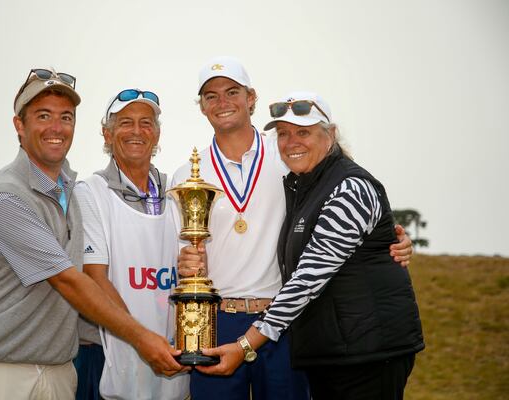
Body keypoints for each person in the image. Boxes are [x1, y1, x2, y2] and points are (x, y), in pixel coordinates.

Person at [174, 57, 414, 400]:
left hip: (285, 318)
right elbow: (179, 251)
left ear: (251, 98)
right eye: (211, 96)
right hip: (218, 318)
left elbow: (347, 209)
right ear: (202, 107)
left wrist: (393, 237)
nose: (222, 102)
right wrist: (184, 264)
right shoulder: (187, 174)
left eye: (232, 92)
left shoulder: (287, 154)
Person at [0, 69, 185, 400]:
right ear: (20, 126)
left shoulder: (68, 191)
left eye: (66, 117)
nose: (56, 128)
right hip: (1, 371)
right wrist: (143, 338)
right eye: (43, 116)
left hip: (59, 369)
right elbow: (69, 281)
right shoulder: (7, 196)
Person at [74, 89, 189, 399]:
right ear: (107, 133)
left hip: (168, 351)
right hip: (105, 353)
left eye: (146, 123)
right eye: (125, 123)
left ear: (158, 133)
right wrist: (141, 338)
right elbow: (94, 277)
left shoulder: (176, 191)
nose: (137, 131)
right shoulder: (89, 192)